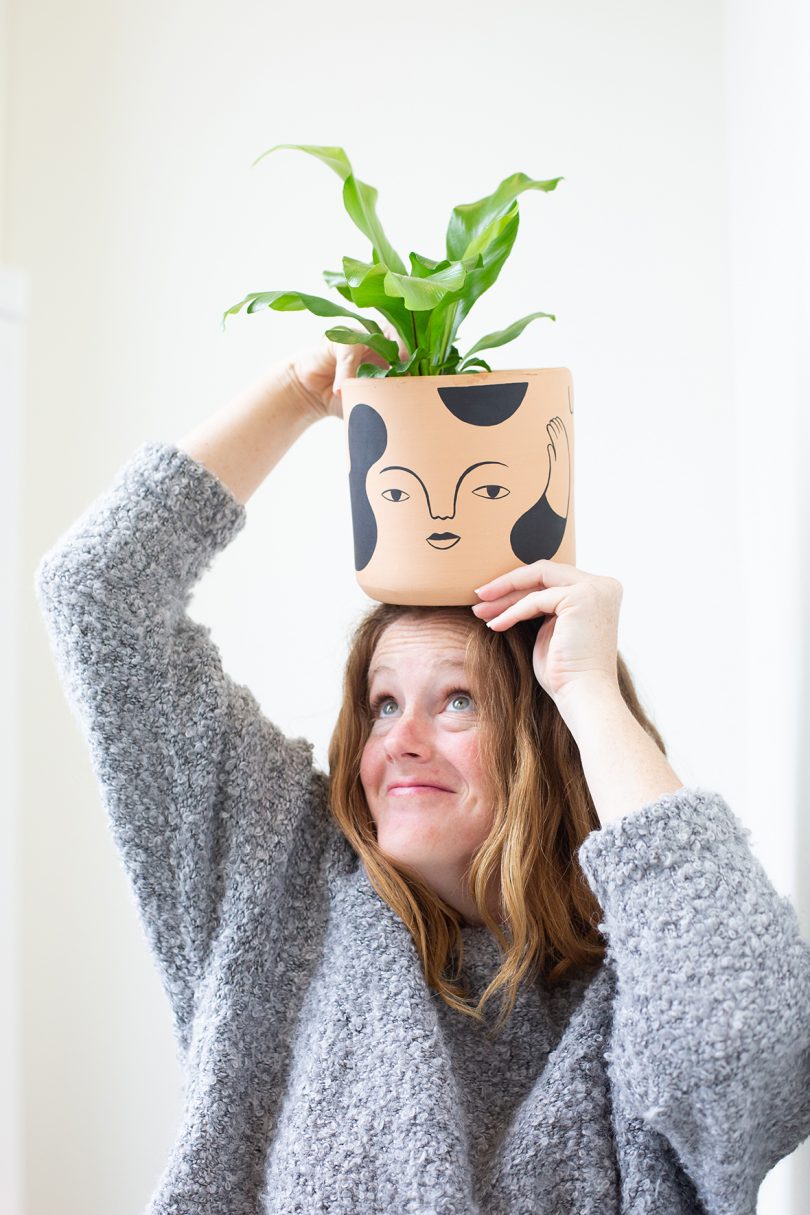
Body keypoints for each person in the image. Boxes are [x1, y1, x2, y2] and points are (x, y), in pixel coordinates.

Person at [34, 326, 810, 1215]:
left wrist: (591, 691)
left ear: (546, 742)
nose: (399, 741)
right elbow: (97, 595)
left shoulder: (633, 993)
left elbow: (748, 1041)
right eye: (383, 703)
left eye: (458, 702)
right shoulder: (277, 888)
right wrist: (295, 395)